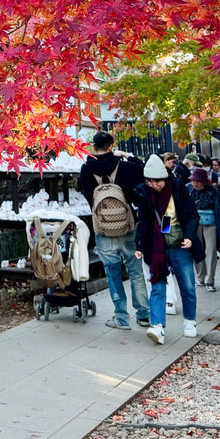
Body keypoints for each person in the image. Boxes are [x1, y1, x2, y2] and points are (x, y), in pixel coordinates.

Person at [79, 130, 151, 330]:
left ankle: (121, 318)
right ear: (111, 146)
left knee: (112, 273)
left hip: (103, 228)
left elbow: (88, 196)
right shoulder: (125, 167)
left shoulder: (86, 169)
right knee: (135, 272)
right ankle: (143, 314)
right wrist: (127, 156)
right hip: (128, 225)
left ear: (94, 146)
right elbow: (144, 171)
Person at [135, 153, 203, 345]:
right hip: (156, 245)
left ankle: (190, 321)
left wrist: (189, 236)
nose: (153, 184)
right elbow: (144, 221)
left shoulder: (178, 188)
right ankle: (157, 325)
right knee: (157, 284)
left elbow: (192, 215)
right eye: (149, 181)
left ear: (164, 178)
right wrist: (139, 245)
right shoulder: (145, 193)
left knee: (187, 285)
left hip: (179, 243)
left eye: (156, 181)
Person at [189, 168, 220, 290]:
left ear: (203, 181)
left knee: (211, 250)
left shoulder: (213, 191)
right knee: (197, 250)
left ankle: (210, 280)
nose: (195, 183)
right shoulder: (189, 189)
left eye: (197, 181)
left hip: (211, 223)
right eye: (193, 181)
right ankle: (200, 277)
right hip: (194, 224)